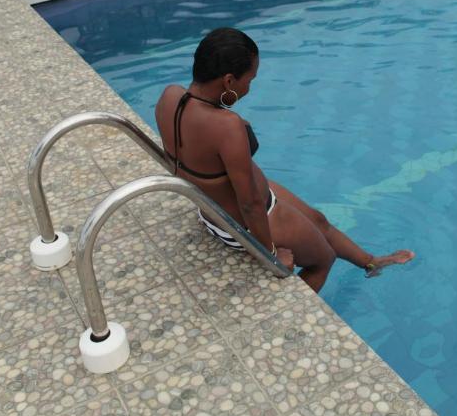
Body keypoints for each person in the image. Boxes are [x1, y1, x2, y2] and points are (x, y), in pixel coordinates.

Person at [155, 28, 414, 292]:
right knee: (323, 259)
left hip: (215, 210)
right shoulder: (227, 126)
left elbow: (189, 158)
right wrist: (269, 253)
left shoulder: (170, 97)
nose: (249, 87)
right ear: (229, 81)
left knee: (318, 219)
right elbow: (250, 204)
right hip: (248, 221)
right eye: (250, 80)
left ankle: (371, 263)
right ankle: (287, 322)